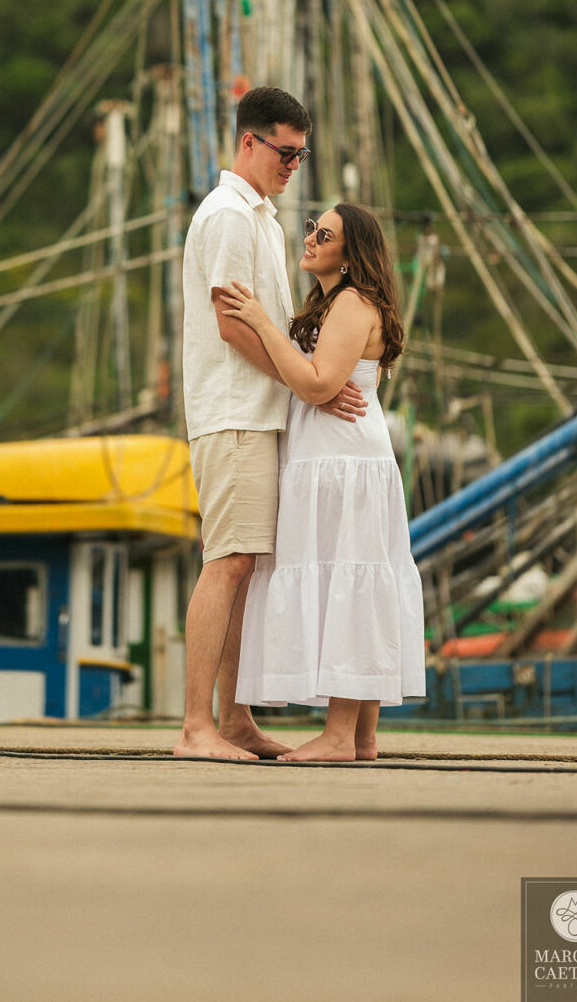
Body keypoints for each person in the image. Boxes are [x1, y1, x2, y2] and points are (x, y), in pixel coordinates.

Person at [173, 89, 368, 762]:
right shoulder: (227, 216)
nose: (293, 165)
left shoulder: (265, 218)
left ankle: (235, 721)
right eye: (285, 152)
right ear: (249, 142)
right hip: (233, 415)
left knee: (247, 569)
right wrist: (309, 388)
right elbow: (231, 326)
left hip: (260, 415)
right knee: (224, 563)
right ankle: (197, 726)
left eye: (301, 154)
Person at [219, 202, 426, 762]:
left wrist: (261, 320)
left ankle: (338, 737)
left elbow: (316, 384)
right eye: (312, 228)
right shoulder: (338, 302)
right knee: (355, 580)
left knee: (350, 582)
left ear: (350, 251)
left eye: (324, 233)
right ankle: (361, 738)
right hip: (336, 459)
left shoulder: (354, 304)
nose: (310, 238)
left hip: (343, 462)